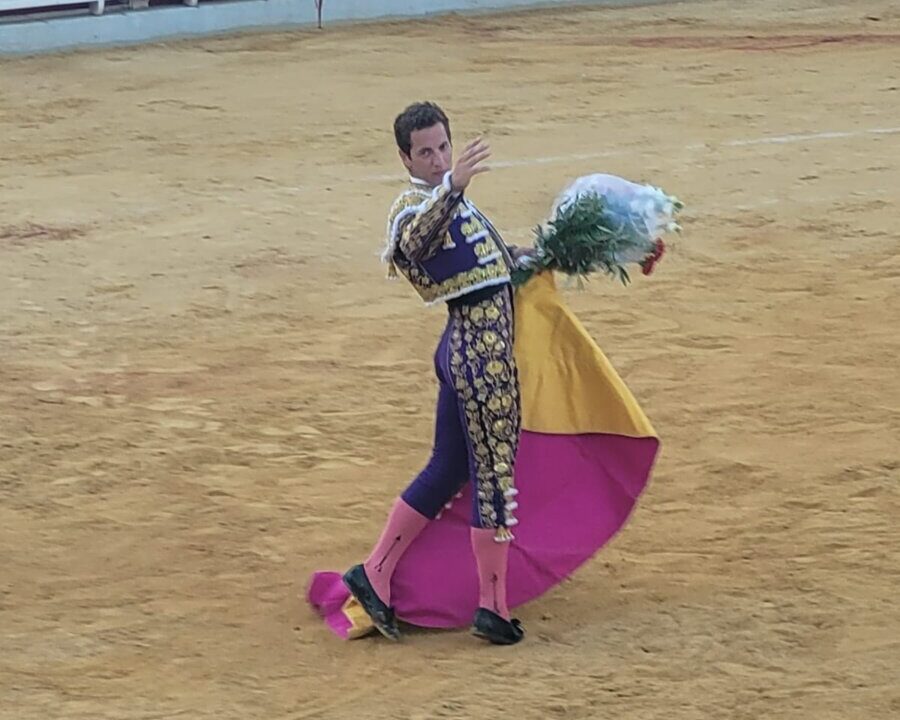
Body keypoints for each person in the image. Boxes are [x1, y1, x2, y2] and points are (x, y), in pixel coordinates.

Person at [342, 101, 529, 645]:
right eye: (425, 152)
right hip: (478, 356)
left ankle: (373, 572)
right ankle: (492, 606)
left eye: (443, 147)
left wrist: (539, 253)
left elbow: (487, 264)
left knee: (449, 466)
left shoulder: (448, 202)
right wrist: (452, 185)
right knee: (493, 474)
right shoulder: (414, 207)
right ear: (405, 157)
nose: (437, 158)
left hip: (466, 350)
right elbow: (415, 244)